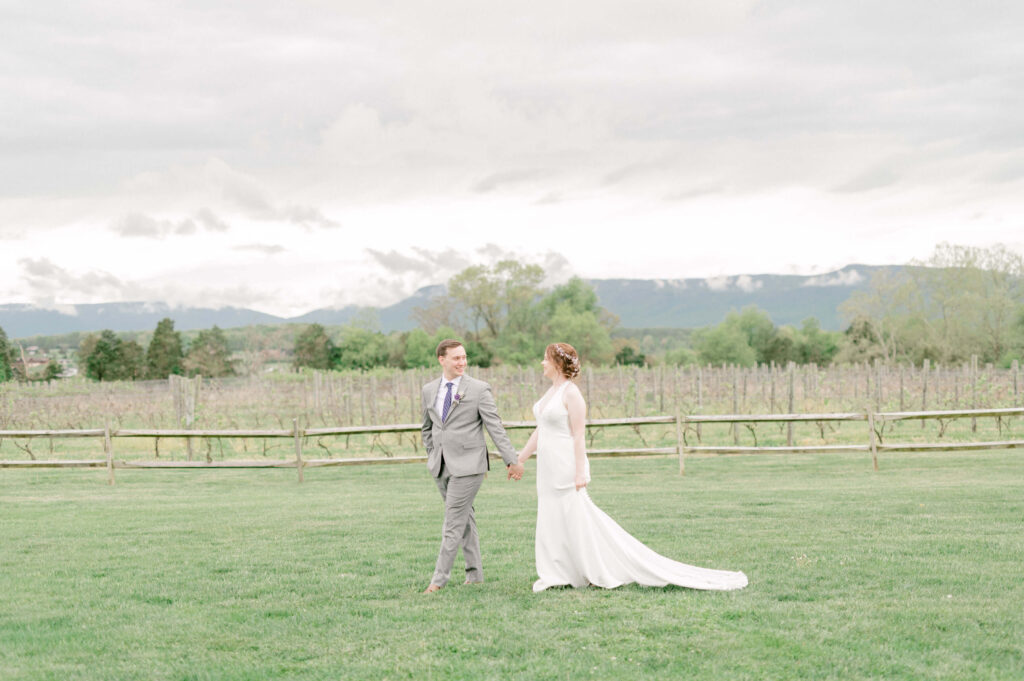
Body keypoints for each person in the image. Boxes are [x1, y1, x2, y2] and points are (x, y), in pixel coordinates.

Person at [516, 342, 748, 593]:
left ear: (558, 364)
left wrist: (580, 471)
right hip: (547, 469)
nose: (542, 363)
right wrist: (521, 458)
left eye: (545, 359)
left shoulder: (571, 393)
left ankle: (595, 568)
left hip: (565, 466)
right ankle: (558, 571)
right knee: (552, 517)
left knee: (577, 519)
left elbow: (578, 436)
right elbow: (541, 430)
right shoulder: (551, 392)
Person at [421, 339, 525, 593]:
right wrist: (433, 454)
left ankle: (438, 581)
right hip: (441, 465)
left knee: (453, 521)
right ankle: (475, 575)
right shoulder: (428, 390)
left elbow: (494, 426)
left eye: (464, 357)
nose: (462, 362)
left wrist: (512, 459)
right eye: (456, 358)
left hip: (469, 465)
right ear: (441, 359)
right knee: (465, 519)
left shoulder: (478, 389)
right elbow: (427, 427)